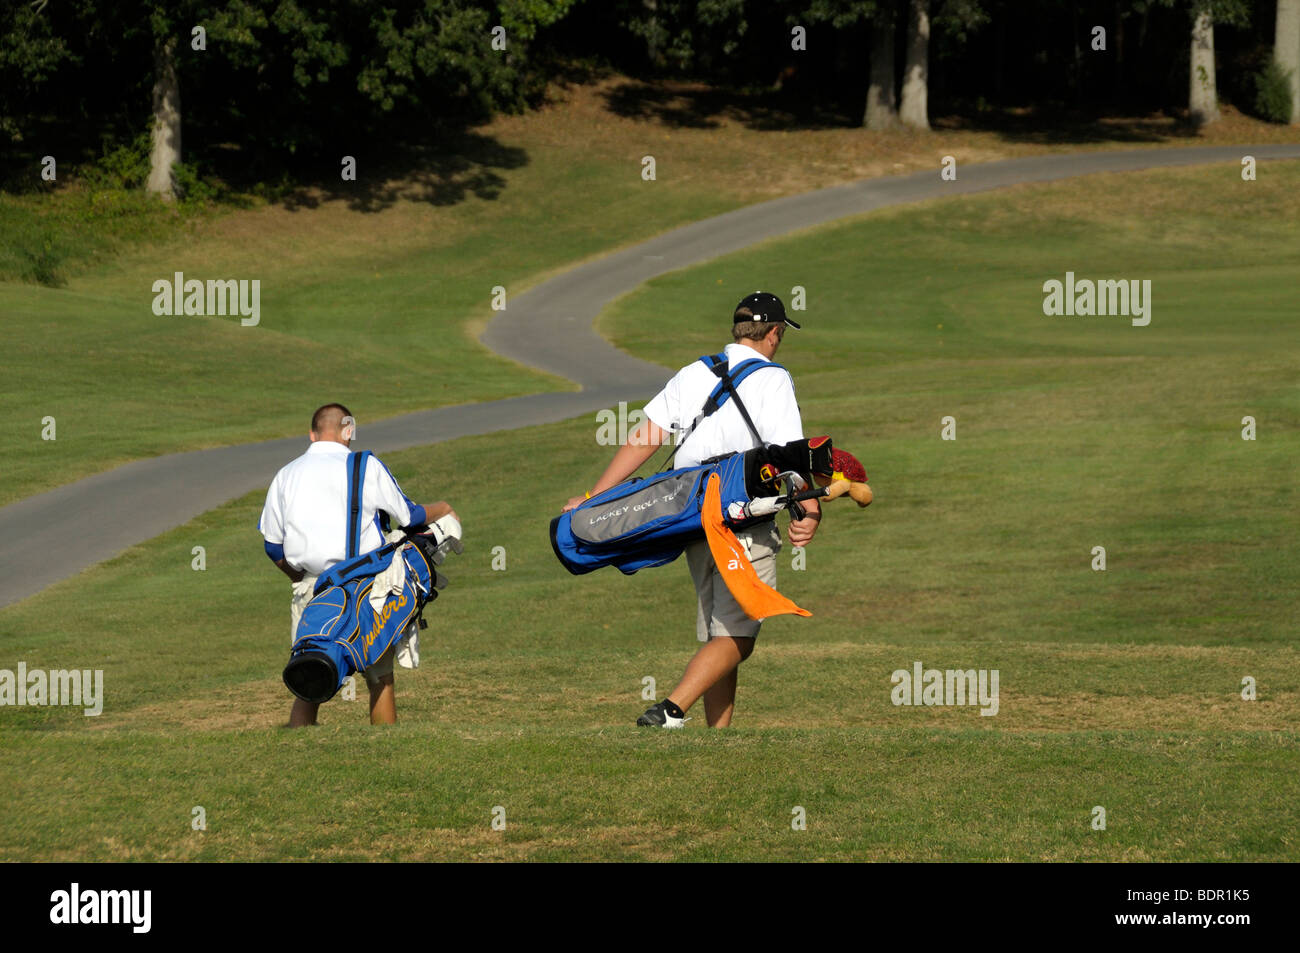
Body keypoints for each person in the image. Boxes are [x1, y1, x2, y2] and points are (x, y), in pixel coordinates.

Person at [562, 292, 820, 728]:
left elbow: (646, 437)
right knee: (741, 634)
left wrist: (595, 497)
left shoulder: (693, 373)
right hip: (744, 519)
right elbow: (789, 452)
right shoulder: (774, 378)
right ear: (774, 334)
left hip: (695, 516)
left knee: (721, 633)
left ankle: (717, 739)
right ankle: (670, 711)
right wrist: (809, 506)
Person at [259, 403, 457, 727]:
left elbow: (272, 546)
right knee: (380, 679)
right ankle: (383, 753)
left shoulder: (286, 475)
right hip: (366, 587)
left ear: (312, 433)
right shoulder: (365, 466)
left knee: (310, 679)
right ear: (348, 431)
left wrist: (302, 579)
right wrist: (445, 507)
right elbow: (410, 517)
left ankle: (298, 756)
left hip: (312, 589)